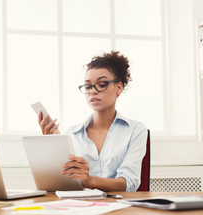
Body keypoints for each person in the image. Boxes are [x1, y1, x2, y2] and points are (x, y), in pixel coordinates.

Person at [38, 51, 147, 192]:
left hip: (119, 207)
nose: (93, 91)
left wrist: (90, 181)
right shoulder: (71, 134)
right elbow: (62, 184)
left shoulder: (135, 130)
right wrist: (55, 148)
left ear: (119, 88)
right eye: (88, 87)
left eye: (101, 84)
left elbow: (128, 184)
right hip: (81, 208)